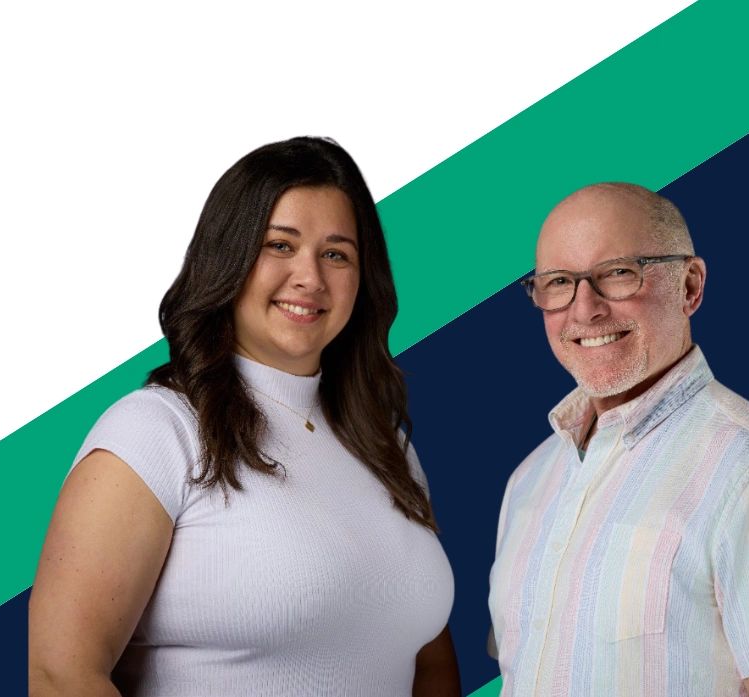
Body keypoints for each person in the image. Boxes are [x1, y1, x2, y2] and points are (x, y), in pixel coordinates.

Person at [29, 137, 460, 697]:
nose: (309, 277)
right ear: (228, 259)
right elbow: (62, 675)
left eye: (336, 253)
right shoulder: (156, 433)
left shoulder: (386, 448)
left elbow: (425, 655)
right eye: (279, 245)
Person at [488, 183, 749, 697]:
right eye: (558, 282)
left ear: (690, 286)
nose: (584, 309)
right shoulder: (529, 481)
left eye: (618, 273)